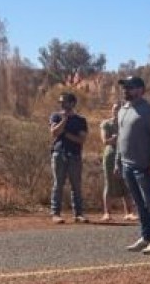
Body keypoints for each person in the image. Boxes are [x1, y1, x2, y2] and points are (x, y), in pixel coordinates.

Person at [115, 76, 150, 254]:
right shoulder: (122, 110)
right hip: (127, 165)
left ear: (140, 90)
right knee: (139, 203)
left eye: (129, 87)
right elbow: (120, 138)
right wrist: (118, 161)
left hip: (145, 166)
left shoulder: (149, 111)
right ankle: (145, 236)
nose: (125, 90)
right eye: (124, 87)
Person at [48, 91, 89, 223]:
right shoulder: (55, 116)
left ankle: (78, 214)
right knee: (58, 184)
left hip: (75, 155)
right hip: (59, 153)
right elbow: (54, 132)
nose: (62, 104)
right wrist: (64, 120)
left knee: (76, 185)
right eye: (60, 102)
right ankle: (56, 213)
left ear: (72, 103)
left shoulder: (81, 120)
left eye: (64, 102)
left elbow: (81, 139)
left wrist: (65, 134)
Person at [99, 100, 134, 222]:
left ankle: (129, 212)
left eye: (119, 109)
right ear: (112, 110)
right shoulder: (106, 124)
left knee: (127, 183)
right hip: (111, 155)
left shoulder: (127, 123)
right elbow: (105, 141)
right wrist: (114, 139)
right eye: (115, 109)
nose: (116, 111)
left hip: (125, 155)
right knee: (109, 183)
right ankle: (107, 213)